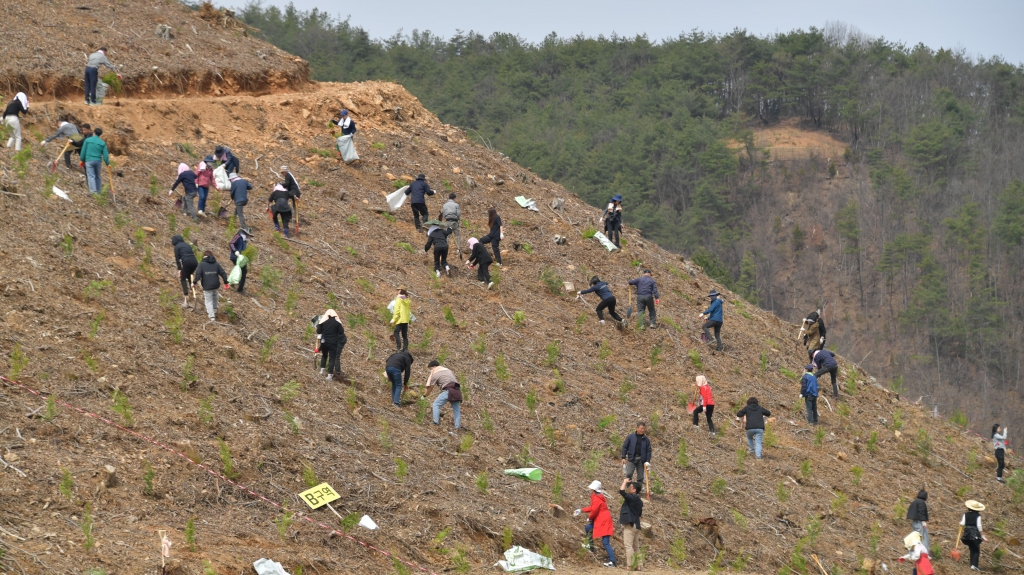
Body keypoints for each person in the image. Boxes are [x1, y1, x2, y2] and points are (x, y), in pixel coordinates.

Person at [579, 480, 615, 567]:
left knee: (605, 542)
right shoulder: (598, 497)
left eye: (591, 489)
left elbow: (594, 510)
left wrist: (589, 518)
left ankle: (612, 561)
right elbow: (593, 507)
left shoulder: (596, 498)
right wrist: (581, 510)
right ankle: (591, 547)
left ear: (594, 490)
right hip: (602, 521)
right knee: (588, 528)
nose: (590, 490)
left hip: (603, 521)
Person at [424, 360, 462, 429]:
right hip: (457, 391)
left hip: (448, 391)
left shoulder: (435, 374)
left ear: (434, 366)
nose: (430, 371)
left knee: (436, 404)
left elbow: (430, 388)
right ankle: (457, 427)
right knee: (456, 410)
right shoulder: (448, 370)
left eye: (430, 369)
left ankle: (435, 422)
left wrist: (424, 396)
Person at [192, 250, 228, 321]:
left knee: (208, 301)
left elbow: (198, 275)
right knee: (215, 296)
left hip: (207, 285)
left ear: (203, 256)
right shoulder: (216, 264)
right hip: (215, 285)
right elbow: (223, 273)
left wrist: (194, 282)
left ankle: (212, 317)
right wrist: (226, 282)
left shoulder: (201, 265)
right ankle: (214, 310)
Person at [618, 477, 644, 571]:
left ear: (634, 490)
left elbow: (622, 492)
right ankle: (639, 565)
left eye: (630, 487)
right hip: (637, 525)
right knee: (636, 546)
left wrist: (624, 481)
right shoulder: (639, 501)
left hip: (630, 525)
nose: (628, 488)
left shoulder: (632, 497)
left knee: (628, 546)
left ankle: (630, 565)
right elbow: (640, 516)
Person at [316, 309, 346, 380]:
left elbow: (318, 331)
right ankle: (329, 375)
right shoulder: (337, 323)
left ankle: (322, 370)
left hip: (324, 342)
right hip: (333, 343)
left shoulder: (323, 322)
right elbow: (341, 332)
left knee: (324, 355)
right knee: (332, 358)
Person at [79, 127, 110, 194]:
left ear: (94, 133)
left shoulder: (87, 140)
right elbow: (105, 154)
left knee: (91, 176)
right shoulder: (102, 143)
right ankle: (98, 192)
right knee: (97, 176)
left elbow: (83, 151)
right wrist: (107, 163)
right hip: (98, 161)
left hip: (89, 160)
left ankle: (93, 192)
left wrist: (82, 159)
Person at [620, 423, 652, 487]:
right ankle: (628, 488)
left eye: (644, 429)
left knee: (640, 477)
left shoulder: (646, 440)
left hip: (641, 460)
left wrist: (647, 461)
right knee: (629, 474)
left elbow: (649, 451)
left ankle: (637, 490)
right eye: (641, 428)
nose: (643, 430)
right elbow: (625, 447)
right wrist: (623, 457)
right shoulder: (631, 437)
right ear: (637, 428)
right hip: (632, 458)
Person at [171, 235, 198, 308]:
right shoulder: (187, 245)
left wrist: (179, 269)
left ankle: (186, 299)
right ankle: (194, 293)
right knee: (189, 276)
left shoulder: (177, 247)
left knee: (183, 279)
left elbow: (177, 259)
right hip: (195, 262)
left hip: (187, 262)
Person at [959, 500, 987, 571]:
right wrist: (982, 535)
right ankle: (974, 565)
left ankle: (972, 564)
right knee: (976, 550)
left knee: (972, 549)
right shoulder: (978, 516)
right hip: (974, 535)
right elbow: (979, 526)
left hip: (967, 535)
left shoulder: (966, 514)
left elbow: (962, 523)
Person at [228, 227, 252, 293]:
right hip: (235, 257)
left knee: (240, 270)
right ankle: (240, 288)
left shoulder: (245, 240)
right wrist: (235, 251)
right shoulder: (238, 236)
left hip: (241, 258)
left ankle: (232, 282)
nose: (249, 236)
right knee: (243, 271)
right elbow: (231, 243)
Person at [281, 165, 301, 233]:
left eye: (282, 172)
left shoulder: (288, 176)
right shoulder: (289, 175)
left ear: (285, 171)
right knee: (294, 207)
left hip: (294, 192)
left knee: (284, 198)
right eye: (281, 173)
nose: (282, 174)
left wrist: (279, 185)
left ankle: (288, 216)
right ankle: (295, 219)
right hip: (295, 191)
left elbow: (286, 184)